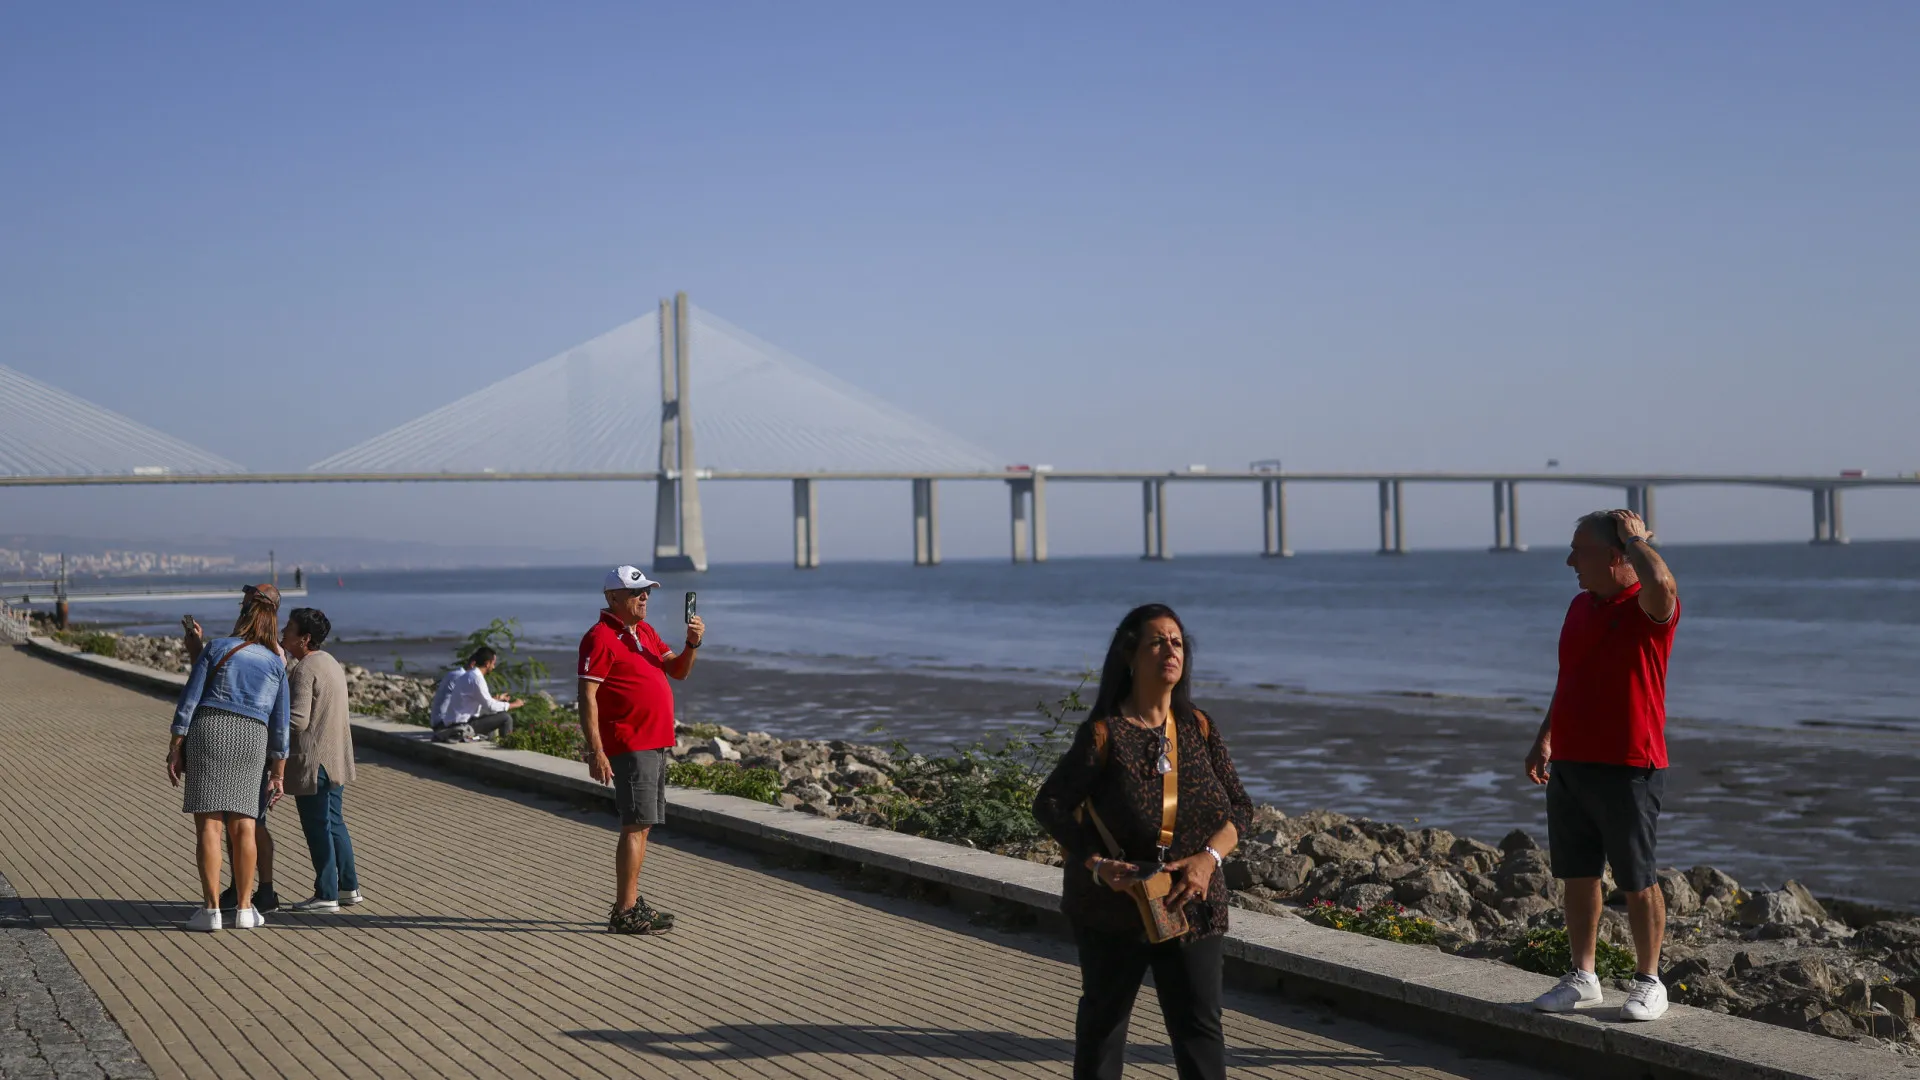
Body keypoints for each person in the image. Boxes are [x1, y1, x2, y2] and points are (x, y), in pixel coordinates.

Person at [1034, 604, 1251, 1080]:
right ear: (1131, 656)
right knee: (1104, 1029)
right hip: (1116, 905)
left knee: (1200, 1030)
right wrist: (1096, 864)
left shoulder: (1198, 726)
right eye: (1158, 641)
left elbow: (1240, 809)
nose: (1170, 650)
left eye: (1176, 642)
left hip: (1192, 901)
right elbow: (1049, 803)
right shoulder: (1103, 734)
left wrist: (1207, 861)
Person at [1526, 509, 1680, 1021]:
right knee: (1578, 874)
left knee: (1637, 879)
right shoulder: (1579, 607)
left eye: (1580, 550)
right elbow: (1569, 676)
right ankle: (1584, 976)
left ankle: (1649, 981)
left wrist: (1635, 539)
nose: (1570, 561)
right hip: (1571, 760)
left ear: (1616, 556)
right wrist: (1545, 736)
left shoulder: (1648, 607)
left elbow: (1660, 578)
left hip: (1629, 764)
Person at [578, 565, 704, 935]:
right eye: (636, 593)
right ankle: (624, 911)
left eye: (647, 591)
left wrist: (692, 644)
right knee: (634, 825)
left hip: (654, 741)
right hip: (629, 743)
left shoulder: (644, 631)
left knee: (644, 825)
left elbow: (678, 671)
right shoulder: (599, 638)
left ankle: (631, 903)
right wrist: (595, 750)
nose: (644, 597)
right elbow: (587, 696)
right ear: (612, 598)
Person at [168, 584, 291, 933]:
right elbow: (281, 725)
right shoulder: (275, 662)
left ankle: (210, 912)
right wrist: (278, 772)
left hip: (210, 730)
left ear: (243, 614)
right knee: (245, 825)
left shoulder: (218, 648)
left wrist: (176, 744)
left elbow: (189, 700)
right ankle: (245, 908)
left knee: (209, 825)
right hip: (252, 737)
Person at [279, 607, 363, 914]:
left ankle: (326, 893)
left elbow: (297, 721)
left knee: (317, 828)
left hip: (313, 763)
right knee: (335, 823)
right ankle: (348, 887)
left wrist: (265, 726)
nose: (282, 632)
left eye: (289, 628)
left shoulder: (303, 670)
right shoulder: (330, 662)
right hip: (336, 757)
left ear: (305, 638)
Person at [428, 646, 524, 741]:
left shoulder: (468, 675)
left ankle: (480, 738)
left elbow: (482, 702)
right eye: (493, 664)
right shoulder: (476, 678)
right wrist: (514, 704)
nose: (494, 667)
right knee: (505, 718)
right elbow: (490, 706)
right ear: (487, 664)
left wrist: (497, 700)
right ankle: (506, 747)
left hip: (457, 722)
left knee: (491, 721)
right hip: (460, 725)